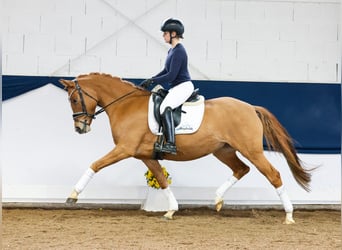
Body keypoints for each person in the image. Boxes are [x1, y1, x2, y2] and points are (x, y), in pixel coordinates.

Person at [141, 18, 194, 155]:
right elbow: (165, 71)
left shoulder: (179, 51)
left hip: (183, 86)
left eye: (165, 33)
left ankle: (170, 144)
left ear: (174, 34)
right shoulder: (171, 51)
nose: (163, 35)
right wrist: (151, 79)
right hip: (177, 87)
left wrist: (154, 81)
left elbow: (170, 76)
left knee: (165, 107)